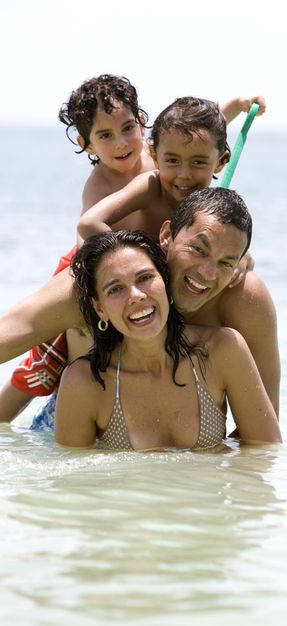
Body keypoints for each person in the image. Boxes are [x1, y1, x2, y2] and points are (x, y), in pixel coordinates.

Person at [0, 82, 264, 422]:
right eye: (106, 135)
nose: (184, 173)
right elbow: (89, 229)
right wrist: (134, 269)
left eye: (127, 129)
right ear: (157, 154)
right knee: (43, 357)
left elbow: (199, 128)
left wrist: (237, 106)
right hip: (97, 259)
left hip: (144, 273)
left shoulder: (173, 160)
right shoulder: (146, 181)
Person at [0, 188, 280, 424]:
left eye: (226, 262)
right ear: (166, 235)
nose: (207, 273)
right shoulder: (103, 285)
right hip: (75, 446)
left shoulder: (243, 300)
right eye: (197, 249)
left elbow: (262, 439)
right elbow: (13, 331)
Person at [54, 229, 281, 450]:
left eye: (145, 278)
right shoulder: (83, 382)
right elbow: (75, 480)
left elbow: (265, 451)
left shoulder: (222, 350)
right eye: (115, 289)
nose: (136, 295)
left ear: (165, 280)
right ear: (100, 309)